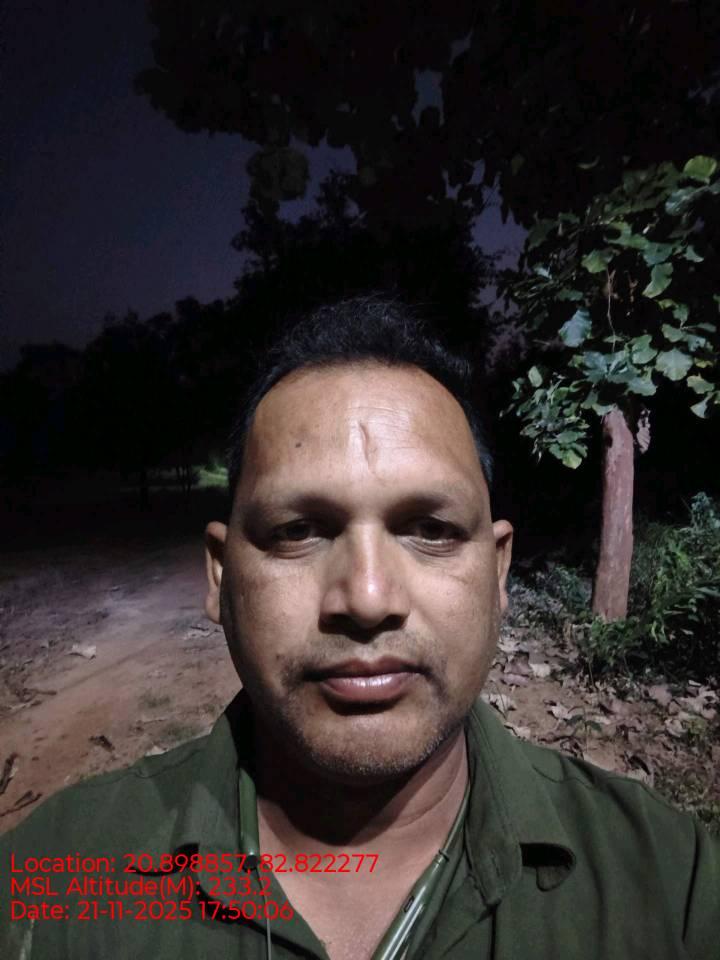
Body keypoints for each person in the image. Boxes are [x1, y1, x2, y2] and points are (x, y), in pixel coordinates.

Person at [1, 296, 718, 959]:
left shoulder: (672, 886)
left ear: (498, 571)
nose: (368, 598)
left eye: (431, 529)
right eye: (297, 531)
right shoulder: (47, 883)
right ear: (220, 576)